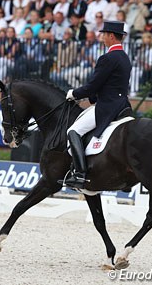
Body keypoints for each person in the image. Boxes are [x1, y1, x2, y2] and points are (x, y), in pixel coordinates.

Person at [59, 21, 132, 188]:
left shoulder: (107, 58)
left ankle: (79, 174)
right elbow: (107, 85)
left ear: (111, 36)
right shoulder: (124, 57)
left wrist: (74, 94)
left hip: (108, 106)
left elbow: (93, 85)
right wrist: (91, 97)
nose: (102, 38)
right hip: (122, 104)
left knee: (73, 131)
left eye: (104, 34)